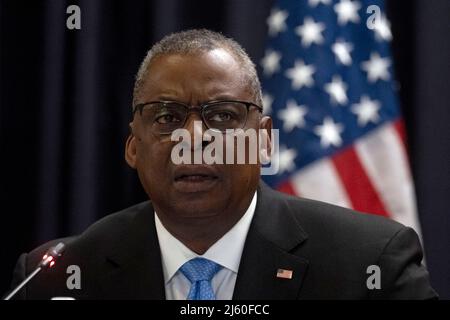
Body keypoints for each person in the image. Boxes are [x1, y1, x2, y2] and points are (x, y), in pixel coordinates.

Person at [9, 29, 437, 300]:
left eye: (223, 115)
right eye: (166, 117)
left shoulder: (370, 266)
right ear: (132, 147)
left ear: (264, 140)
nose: (194, 138)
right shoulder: (58, 278)